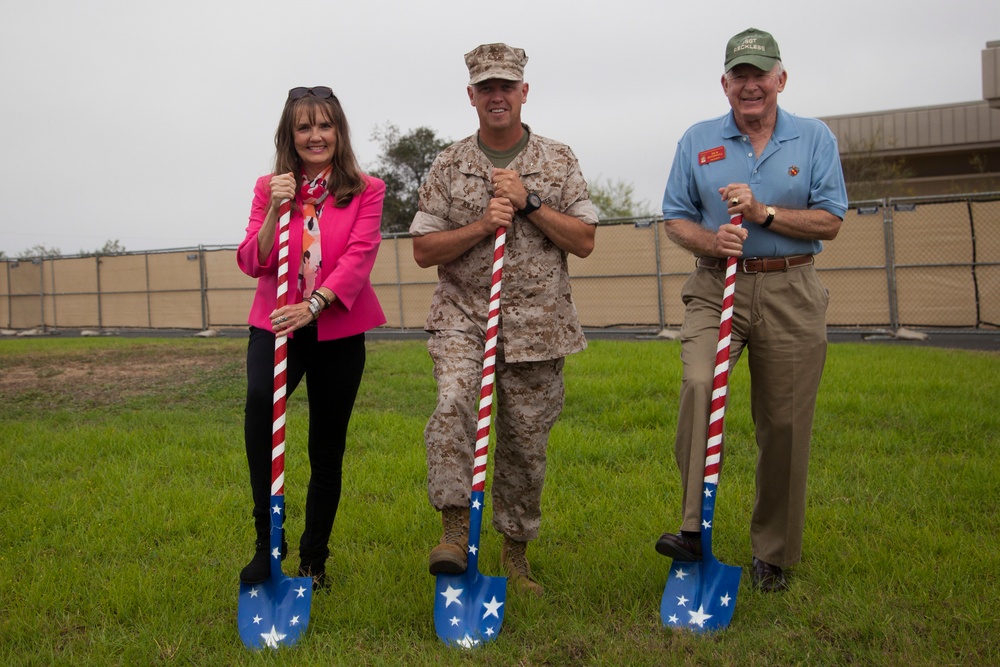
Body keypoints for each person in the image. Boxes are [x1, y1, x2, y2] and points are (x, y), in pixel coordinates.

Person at [655, 28, 848, 592]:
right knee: (699, 385)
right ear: (725, 84)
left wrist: (763, 214)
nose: (750, 85)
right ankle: (692, 530)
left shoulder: (813, 138)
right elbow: (675, 217)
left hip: (792, 289)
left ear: (780, 80)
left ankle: (775, 554)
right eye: (739, 75)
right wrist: (711, 241)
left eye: (759, 74)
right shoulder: (698, 140)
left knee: (785, 423)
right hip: (717, 287)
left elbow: (831, 220)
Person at [409, 43, 598, 597]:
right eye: (486, 87)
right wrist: (480, 226)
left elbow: (585, 240)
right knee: (453, 403)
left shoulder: (558, 161)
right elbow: (423, 250)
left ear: (523, 92)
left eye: (506, 86)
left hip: (539, 328)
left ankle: (515, 558)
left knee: (524, 447)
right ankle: (452, 531)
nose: (497, 96)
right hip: (464, 318)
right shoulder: (449, 164)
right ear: (471, 96)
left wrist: (531, 203)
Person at [236, 86, 386, 590]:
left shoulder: (367, 188)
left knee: (327, 446)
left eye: (325, 125)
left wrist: (314, 304)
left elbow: (358, 258)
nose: (315, 135)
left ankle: (313, 560)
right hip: (276, 323)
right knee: (260, 406)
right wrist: (278, 212)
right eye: (305, 127)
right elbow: (252, 261)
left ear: (338, 132)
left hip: (336, 326)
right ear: (290, 135)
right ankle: (267, 544)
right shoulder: (270, 188)